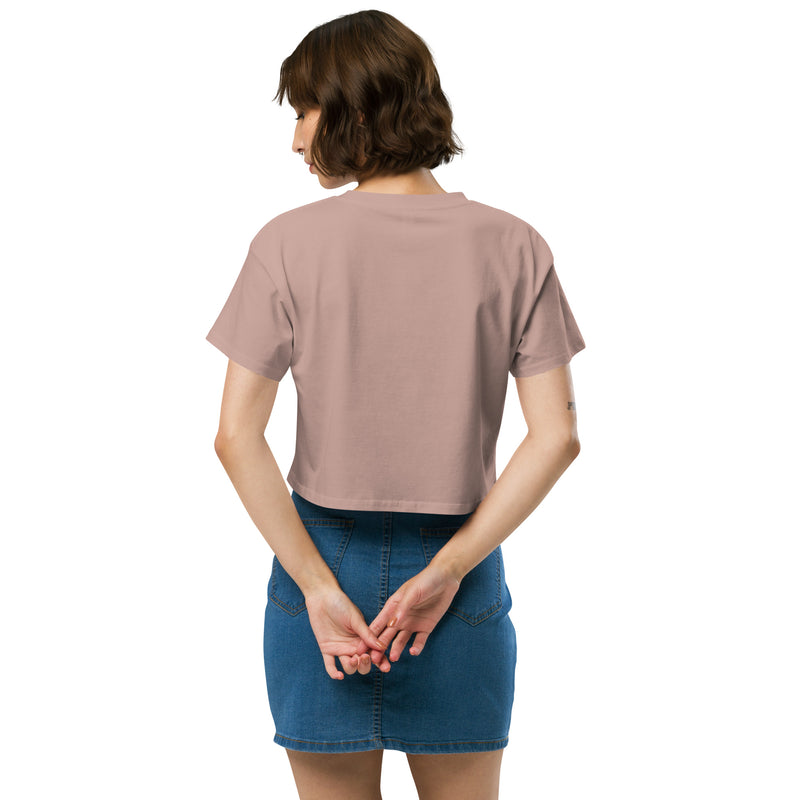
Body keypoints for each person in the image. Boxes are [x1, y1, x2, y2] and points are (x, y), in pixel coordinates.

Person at [206, 10, 585, 800]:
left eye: (304, 111)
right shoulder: (515, 245)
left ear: (353, 108)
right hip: (459, 568)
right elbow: (557, 437)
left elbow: (236, 437)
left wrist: (315, 588)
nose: (296, 140)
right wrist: (449, 569)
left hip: (319, 561)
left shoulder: (286, 244)